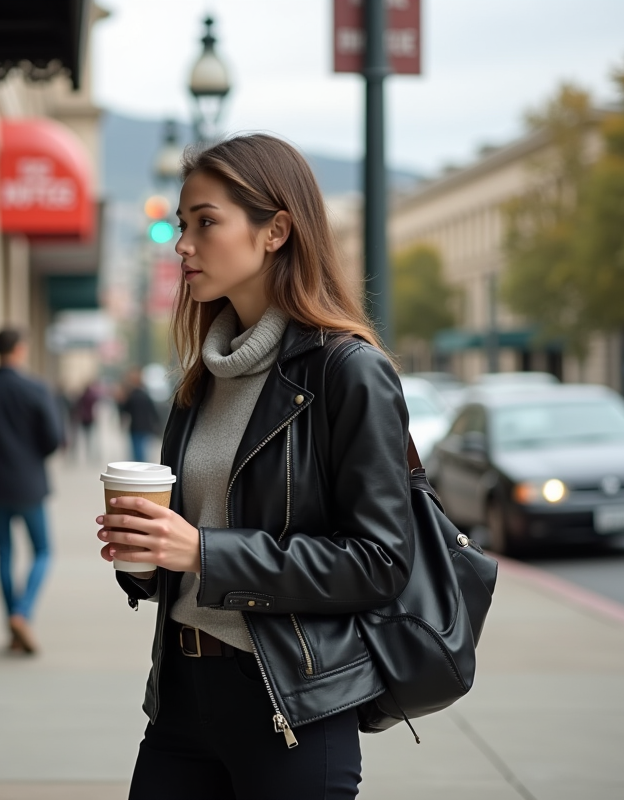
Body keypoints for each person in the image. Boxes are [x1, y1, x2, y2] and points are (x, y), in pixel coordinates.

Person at [96, 134, 412, 799]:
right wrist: (148, 555)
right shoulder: (200, 379)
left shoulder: (347, 372)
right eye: (182, 225)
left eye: (205, 222)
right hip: (181, 701)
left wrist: (204, 552)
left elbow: (380, 562)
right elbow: (191, 547)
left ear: (276, 231)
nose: (182, 244)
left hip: (291, 706)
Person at [0, 327, 63, 654]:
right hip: (29, 482)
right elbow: (54, 438)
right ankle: (22, 613)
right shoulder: (36, 389)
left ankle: (12, 622)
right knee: (43, 550)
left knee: (3, 552)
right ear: (19, 349)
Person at [117, 366, 161, 463]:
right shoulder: (144, 394)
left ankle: (139, 468)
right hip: (143, 426)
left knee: (138, 451)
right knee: (141, 450)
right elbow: (153, 410)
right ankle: (140, 467)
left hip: (137, 427)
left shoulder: (133, 395)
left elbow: (124, 410)